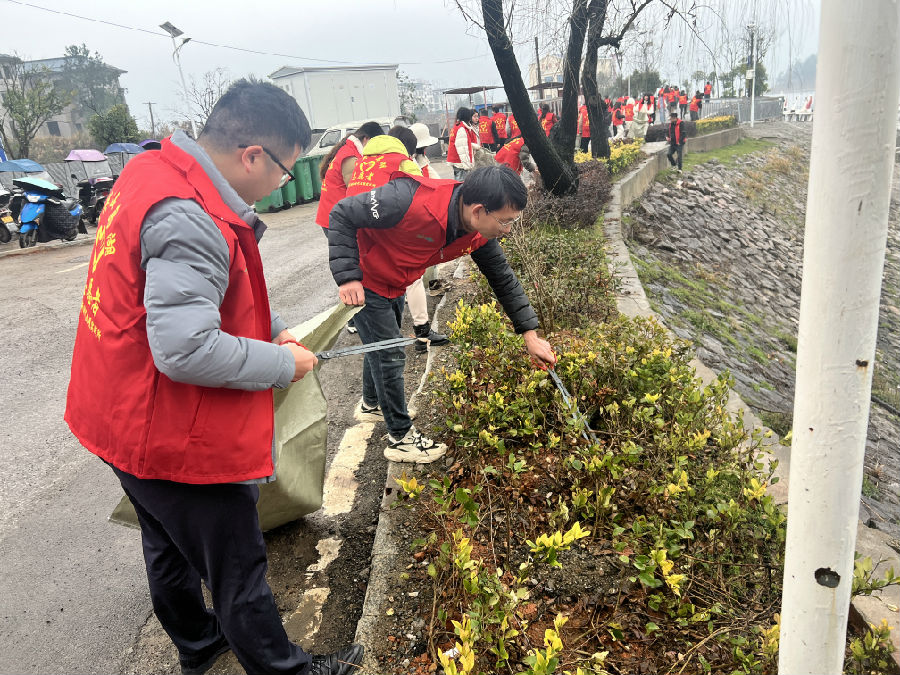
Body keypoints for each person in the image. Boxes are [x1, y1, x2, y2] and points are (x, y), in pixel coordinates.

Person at [64, 79, 364, 675]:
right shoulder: (190, 216)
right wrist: (285, 364)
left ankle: (200, 648)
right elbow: (185, 348)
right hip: (169, 431)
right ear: (253, 154)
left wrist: (272, 327)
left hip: (114, 411)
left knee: (168, 547)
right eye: (285, 170)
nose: (285, 183)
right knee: (237, 567)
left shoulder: (153, 171)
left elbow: (212, 291)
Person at [328, 165, 556, 463]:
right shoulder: (406, 200)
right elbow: (342, 212)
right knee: (391, 353)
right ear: (478, 211)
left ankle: (371, 405)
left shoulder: (477, 232)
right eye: (505, 221)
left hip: (396, 278)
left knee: (380, 348)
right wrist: (348, 276)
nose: (508, 230)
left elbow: (503, 278)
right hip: (367, 279)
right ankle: (400, 438)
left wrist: (531, 336)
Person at [345, 125, 450, 359]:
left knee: (375, 348)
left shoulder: (365, 162)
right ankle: (422, 332)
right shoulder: (403, 164)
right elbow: (427, 197)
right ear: (409, 149)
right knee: (390, 355)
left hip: (362, 243)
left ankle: (371, 397)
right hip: (389, 244)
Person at [316, 121, 384, 334]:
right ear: (366, 139)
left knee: (352, 267)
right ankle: (354, 317)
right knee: (352, 268)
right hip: (337, 222)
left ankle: (354, 316)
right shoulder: (351, 157)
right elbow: (357, 194)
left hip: (332, 217)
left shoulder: (348, 150)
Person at [447, 106, 479, 180]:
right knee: (461, 185)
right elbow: (462, 149)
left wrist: (475, 146)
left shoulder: (457, 126)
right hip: (460, 163)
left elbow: (464, 143)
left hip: (456, 161)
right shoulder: (461, 129)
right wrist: (467, 165)